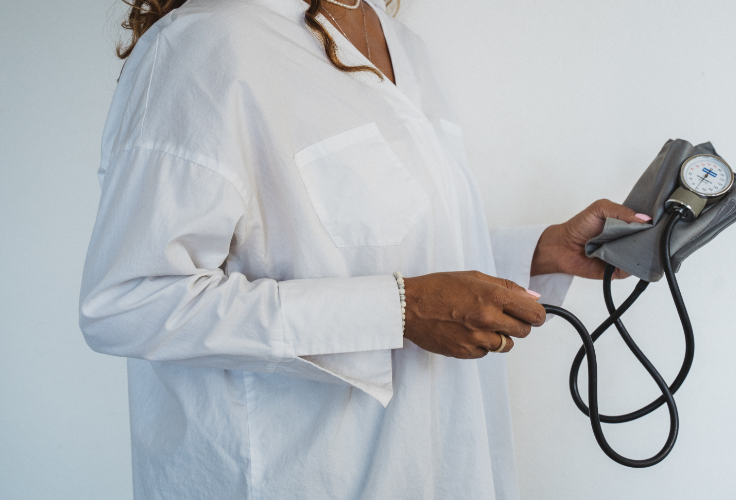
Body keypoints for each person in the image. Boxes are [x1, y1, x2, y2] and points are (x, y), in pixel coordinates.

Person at [79, 0, 652, 498]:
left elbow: (397, 247)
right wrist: (398, 310)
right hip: (298, 477)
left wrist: (543, 252)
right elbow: (129, 302)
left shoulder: (403, 46)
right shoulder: (204, 44)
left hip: (441, 465)